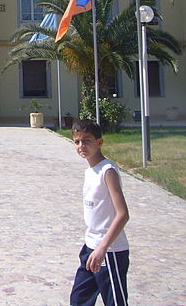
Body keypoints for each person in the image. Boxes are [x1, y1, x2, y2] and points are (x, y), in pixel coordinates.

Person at [69, 119, 130, 306]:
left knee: (114, 301)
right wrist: (94, 248)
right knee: (79, 299)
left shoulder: (107, 171)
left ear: (99, 142)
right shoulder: (90, 171)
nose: (81, 146)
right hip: (90, 247)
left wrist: (103, 248)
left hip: (110, 251)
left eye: (87, 140)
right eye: (77, 142)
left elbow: (123, 214)